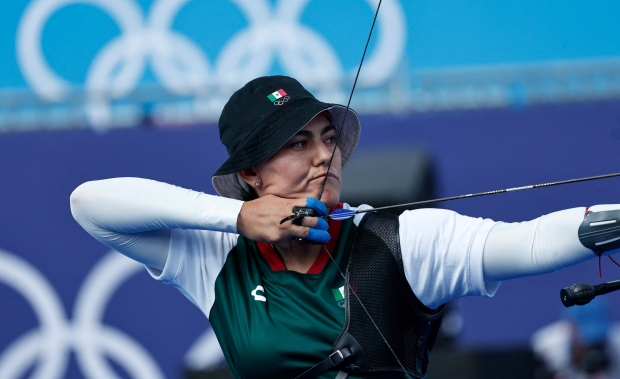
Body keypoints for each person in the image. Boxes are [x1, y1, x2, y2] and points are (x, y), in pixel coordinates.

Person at [70, 75, 620, 379]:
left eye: (329, 138)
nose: (325, 157)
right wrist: (238, 217)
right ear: (251, 175)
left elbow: (527, 240)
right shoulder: (214, 256)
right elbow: (89, 204)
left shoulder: (401, 240)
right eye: (297, 143)